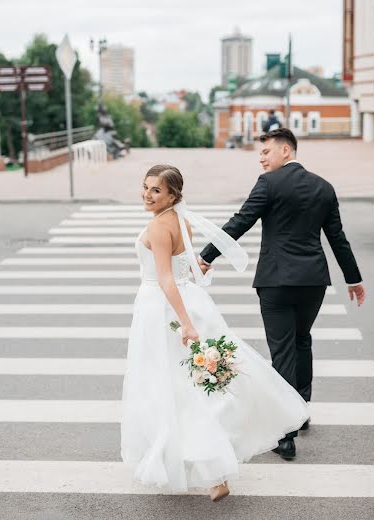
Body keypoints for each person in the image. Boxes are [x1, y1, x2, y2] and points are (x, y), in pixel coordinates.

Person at [121, 164, 309, 500]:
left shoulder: (159, 228)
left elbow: (165, 279)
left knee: (170, 386)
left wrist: (186, 323)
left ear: (173, 195)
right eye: (145, 187)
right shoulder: (180, 221)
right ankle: (209, 469)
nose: (147, 195)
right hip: (188, 300)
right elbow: (186, 269)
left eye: (156, 191)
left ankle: (210, 469)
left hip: (164, 309)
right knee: (190, 385)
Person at [199, 128, 365, 460]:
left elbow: (241, 221)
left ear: (286, 150)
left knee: (283, 350)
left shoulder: (269, 184)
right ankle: (301, 407)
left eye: (266, 152)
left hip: (276, 280)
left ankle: (285, 434)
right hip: (313, 281)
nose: (261, 159)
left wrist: (206, 256)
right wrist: (353, 278)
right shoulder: (324, 187)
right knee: (302, 340)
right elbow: (337, 238)